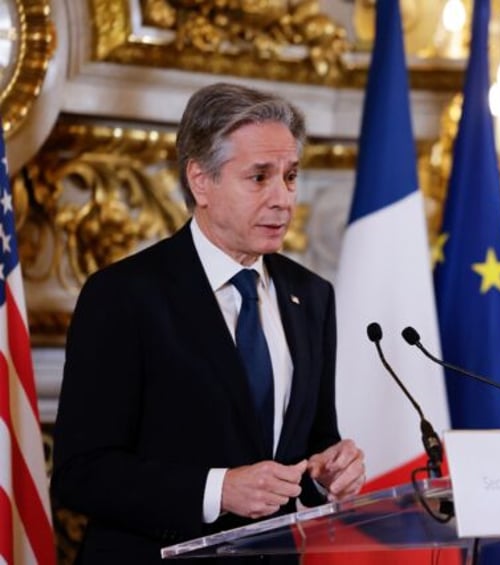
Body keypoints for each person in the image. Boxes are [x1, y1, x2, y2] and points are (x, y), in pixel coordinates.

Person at [51, 82, 366, 564]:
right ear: (201, 181)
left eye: (290, 176)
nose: (283, 199)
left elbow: (312, 438)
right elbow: (82, 472)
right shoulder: (124, 295)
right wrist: (218, 489)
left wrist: (326, 468)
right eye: (259, 177)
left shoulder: (312, 296)